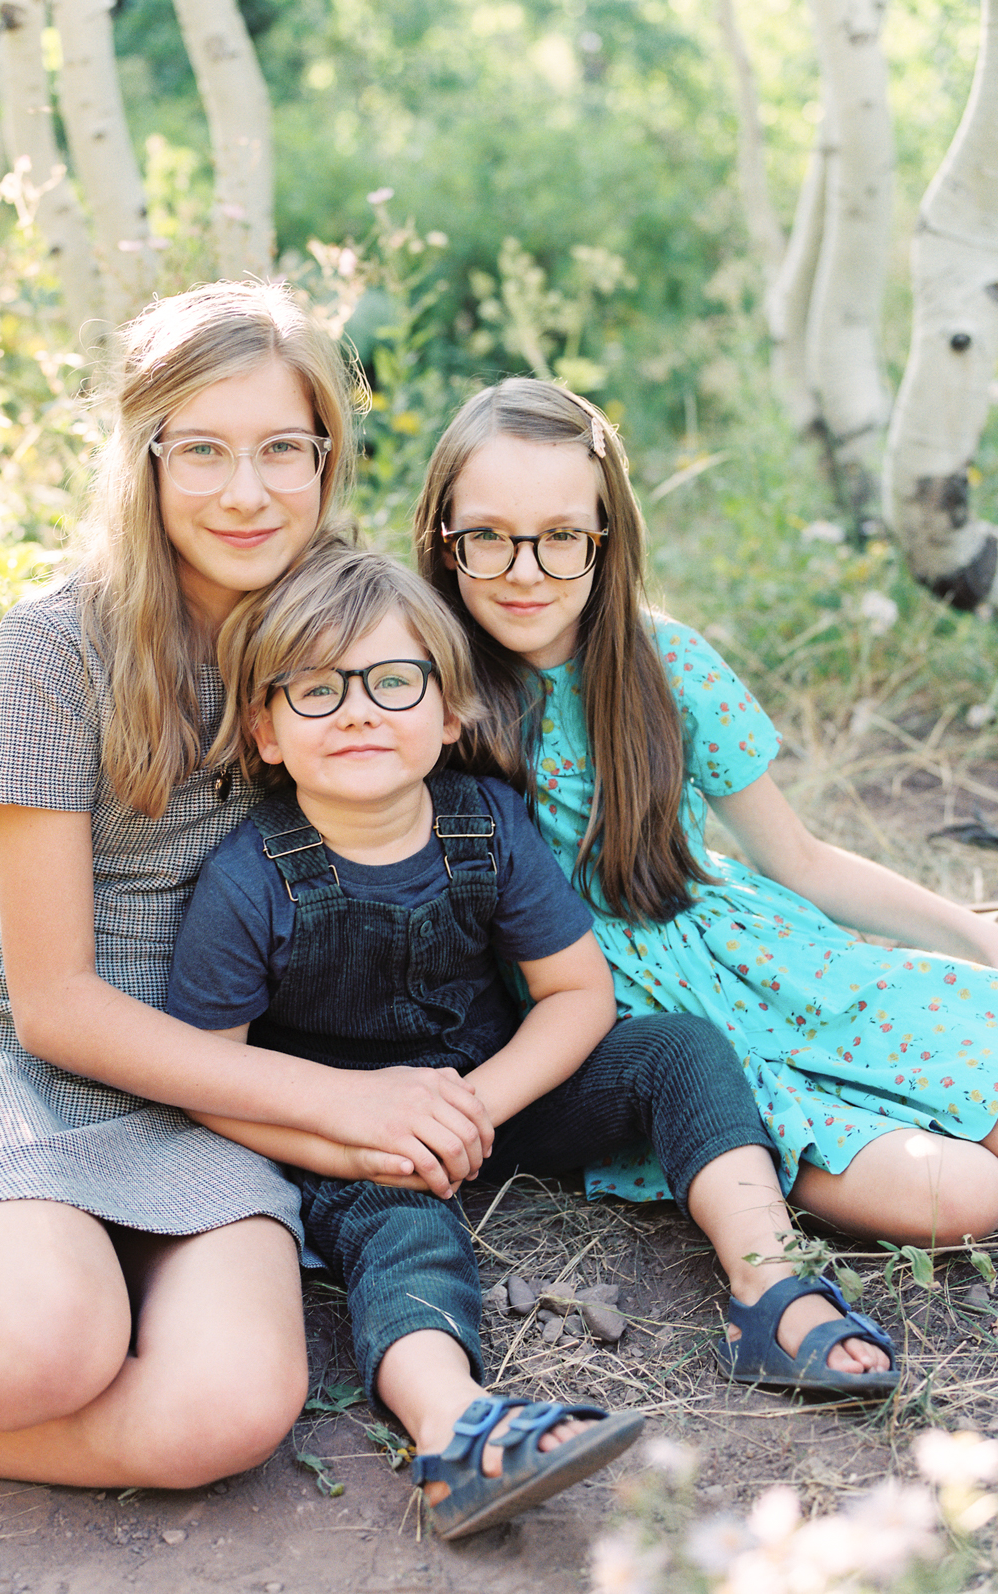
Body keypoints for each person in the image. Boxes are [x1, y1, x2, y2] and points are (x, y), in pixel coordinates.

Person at [0, 281, 495, 1488]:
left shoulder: (342, 630)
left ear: (328, 458)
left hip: (203, 1081)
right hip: (9, 1057)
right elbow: (52, 1003)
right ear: (147, 459)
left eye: (285, 449)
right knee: (37, 1347)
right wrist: (346, 1103)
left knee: (224, 1413)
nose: (246, 491)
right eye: (204, 451)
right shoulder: (58, 645)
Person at [167, 547, 895, 1541]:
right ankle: (455, 1427)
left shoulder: (486, 824)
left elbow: (575, 993)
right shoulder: (250, 878)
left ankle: (768, 1285)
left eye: (392, 681)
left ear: (451, 710)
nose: (357, 711)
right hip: (343, 1133)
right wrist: (356, 1144)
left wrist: (478, 1106)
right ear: (264, 728)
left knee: (678, 1048)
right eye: (314, 689)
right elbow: (211, 1071)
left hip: (493, 1088)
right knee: (403, 1229)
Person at [414, 376, 998, 1359]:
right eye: (490, 536)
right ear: (441, 538)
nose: (527, 569)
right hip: (652, 1035)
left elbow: (802, 858)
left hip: (775, 965)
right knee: (967, 1197)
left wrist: (973, 930)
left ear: (607, 537)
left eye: (563, 536)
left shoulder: (661, 662)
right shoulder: (418, 692)